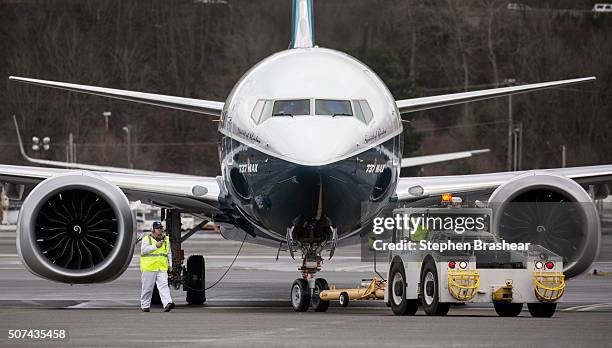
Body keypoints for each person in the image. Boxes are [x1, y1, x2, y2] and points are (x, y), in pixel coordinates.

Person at [140, 221, 175, 312]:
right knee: (147, 287)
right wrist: (155, 246)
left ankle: (167, 303)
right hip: (149, 267)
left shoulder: (166, 239)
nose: (159, 230)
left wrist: (170, 265)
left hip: (161, 267)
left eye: (160, 228)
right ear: (153, 229)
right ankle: (145, 305)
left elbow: (169, 253)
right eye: (157, 228)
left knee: (164, 286)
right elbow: (143, 251)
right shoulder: (147, 238)